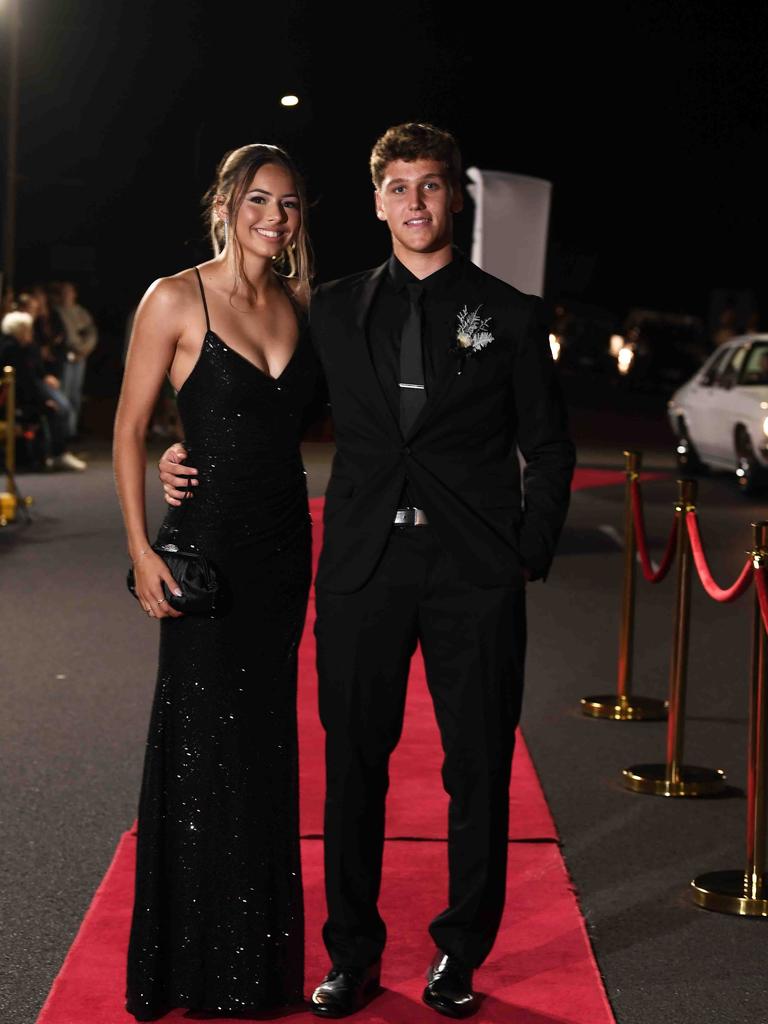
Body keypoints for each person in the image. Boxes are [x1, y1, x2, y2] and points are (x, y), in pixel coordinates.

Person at [160, 123, 575, 1020]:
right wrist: (181, 453)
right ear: (378, 198)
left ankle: (460, 956)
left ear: (453, 197)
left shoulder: (509, 313)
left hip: (475, 576)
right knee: (354, 770)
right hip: (361, 569)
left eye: (431, 186)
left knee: (477, 770)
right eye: (399, 187)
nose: (416, 203)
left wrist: (524, 553)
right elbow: (268, 411)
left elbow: (549, 447)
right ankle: (352, 955)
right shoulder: (335, 310)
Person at [113, 143, 319, 1020]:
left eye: (291, 204)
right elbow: (127, 431)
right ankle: (187, 969)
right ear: (228, 205)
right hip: (204, 556)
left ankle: (256, 970)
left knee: (264, 755)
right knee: (200, 751)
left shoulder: (300, 304)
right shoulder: (174, 297)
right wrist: (142, 550)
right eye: (259, 201)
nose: (275, 217)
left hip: (282, 558)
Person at [0, 309, 86, 471]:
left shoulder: (26, 346)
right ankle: (57, 454)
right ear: (18, 330)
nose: (30, 332)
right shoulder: (10, 349)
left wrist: (45, 376)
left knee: (61, 407)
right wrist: (43, 403)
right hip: (14, 401)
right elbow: (23, 383)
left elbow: (34, 371)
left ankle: (54, 454)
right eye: (27, 329)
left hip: (27, 394)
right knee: (54, 411)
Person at [51, 280, 98, 437]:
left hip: (79, 356)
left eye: (69, 291)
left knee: (75, 394)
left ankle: (71, 430)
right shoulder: (56, 312)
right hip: (64, 356)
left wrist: (83, 351)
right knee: (64, 391)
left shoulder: (81, 313)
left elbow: (91, 334)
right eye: (63, 291)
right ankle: (62, 432)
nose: (66, 294)